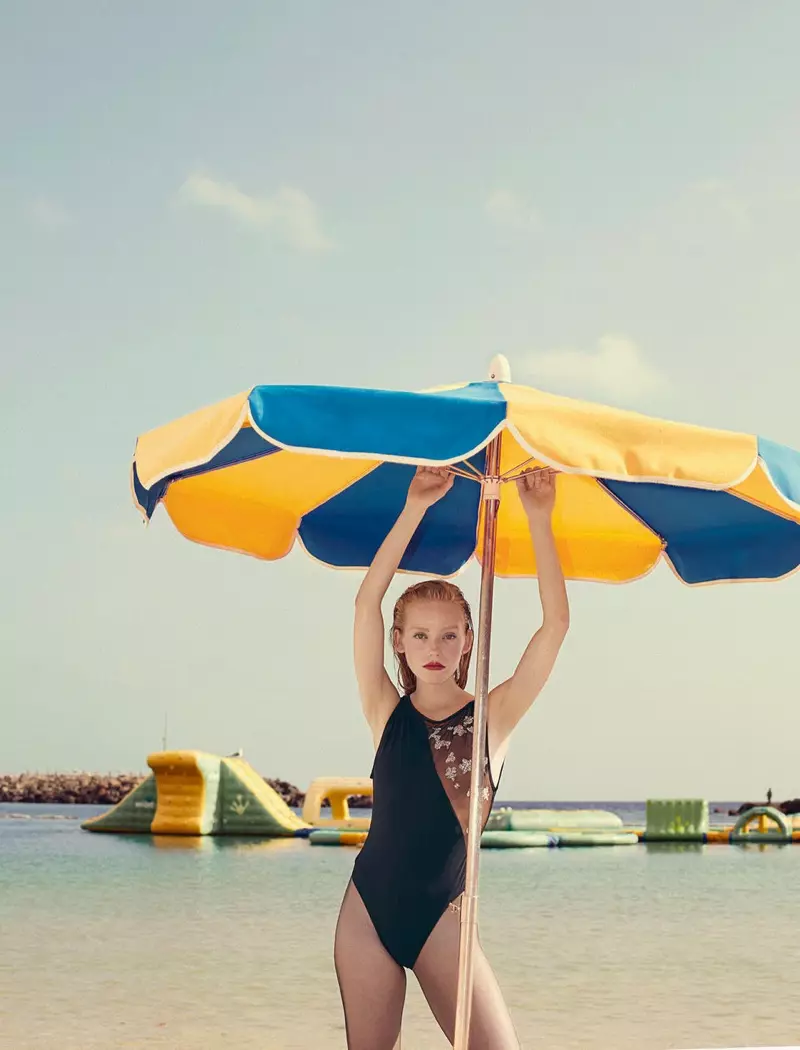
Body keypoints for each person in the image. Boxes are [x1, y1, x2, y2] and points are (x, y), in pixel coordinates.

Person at [333, 464, 570, 1049]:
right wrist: (414, 504)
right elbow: (367, 604)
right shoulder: (385, 710)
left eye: (447, 635)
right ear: (399, 642)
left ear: (469, 639)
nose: (433, 649)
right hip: (368, 912)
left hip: (445, 917)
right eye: (419, 635)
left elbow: (556, 625)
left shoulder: (494, 717)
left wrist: (539, 517)